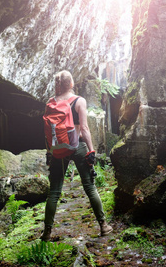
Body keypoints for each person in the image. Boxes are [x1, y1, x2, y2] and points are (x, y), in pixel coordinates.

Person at [41, 70, 113, 241]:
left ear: (58, 85)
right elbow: (85, 128)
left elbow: (47, 132)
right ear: (71, 83)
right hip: (78, 145)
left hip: (58, 149)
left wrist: (50, 151)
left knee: (54, 192)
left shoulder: (50, 103)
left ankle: (47, 232)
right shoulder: (79, 101)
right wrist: (91, 149)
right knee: (89, 187)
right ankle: (103, 225)